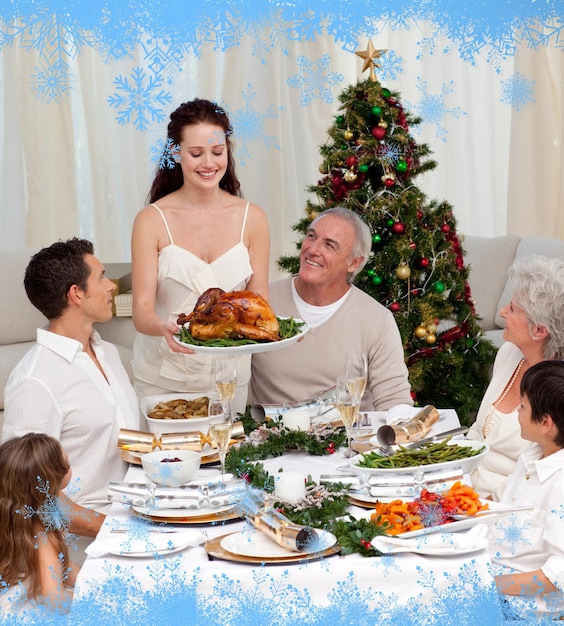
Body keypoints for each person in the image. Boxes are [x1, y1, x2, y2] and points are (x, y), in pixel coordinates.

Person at [131, 98, 270, 416]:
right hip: (164, 380)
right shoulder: (151, 220)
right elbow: (141, 311)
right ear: (176, 153)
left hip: (229, 377)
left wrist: (279, 332)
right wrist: (164, 326)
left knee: (225, 463)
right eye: (196, 154)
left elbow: (258, 300)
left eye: (217, 152)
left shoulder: (254, 218)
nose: (209, 163)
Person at [2, 238, 140, 542]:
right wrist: (114, 530)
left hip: (139, 511)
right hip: (88, 541)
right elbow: (29, 496)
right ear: (76, 294)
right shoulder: (35, 381)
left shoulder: (108, 353)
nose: (112, 286)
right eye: (102, 277)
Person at [249, 207, 413, 411]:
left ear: (354, 262)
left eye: (329, 245)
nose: (313, 250)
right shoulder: (261, 303)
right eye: (311, 236)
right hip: (267, 436)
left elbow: (394, 401)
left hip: (346, 439)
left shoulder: (376, 320)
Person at [466, 255, 564, 498]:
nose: (502, 312)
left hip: (505, 504)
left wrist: (474, 507)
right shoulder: (509, 352)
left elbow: (535, 475)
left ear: (539, 330)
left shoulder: (557, 390)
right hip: (463, 487)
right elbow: (478, 431)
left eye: (512, 309)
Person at [490, 360, 564, 618]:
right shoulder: (534, 454)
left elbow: (557, 577)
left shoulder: (560, 485)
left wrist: (488, 586)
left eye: (522, 406)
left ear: (545, 423)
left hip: (519, 607)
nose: (516, 413)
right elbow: (501, 500)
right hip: (491, 572)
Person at [0, 433, 78, 614]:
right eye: (65, 463)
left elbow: (60, 566)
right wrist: (89, 599)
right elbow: (54, 600)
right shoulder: (41, 532)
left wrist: (89, 579)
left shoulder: (14, 520)